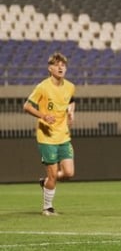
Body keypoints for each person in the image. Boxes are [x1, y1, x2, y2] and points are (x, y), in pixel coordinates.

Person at [23, 52, 76, 216]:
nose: (61, 67)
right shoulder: (43, 87)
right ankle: (47, 208)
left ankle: (45, 182)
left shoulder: (70, 86)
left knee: (68, 173)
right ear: (50, 68)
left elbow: (71, 101)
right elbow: (27, 106)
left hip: (64, 136)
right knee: (53, 174)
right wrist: (43, 116)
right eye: (57, 64)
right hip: (47, 137)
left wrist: (71, 113)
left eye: (63, 65)